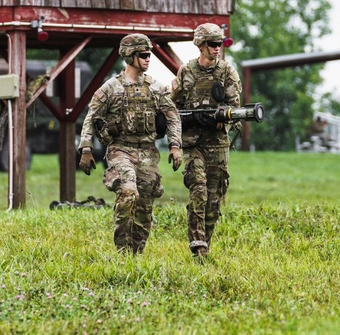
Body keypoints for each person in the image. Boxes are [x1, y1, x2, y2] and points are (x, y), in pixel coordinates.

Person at [79, 34, 182, 254]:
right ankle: (122, 251)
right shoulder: (110, 88)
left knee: (145, 205)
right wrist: (86, 149)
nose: (148, 59)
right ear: (130, 56)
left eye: (149, 55)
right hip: (120, 150)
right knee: (128, 193)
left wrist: (175, 146)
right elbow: (91, 116)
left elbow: (173, 116)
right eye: (143, 55)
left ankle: (136, 255)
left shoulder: (156, 88)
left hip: (148, 151)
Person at [170, 23, 241, 259]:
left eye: (219, 43)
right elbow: (174, 108)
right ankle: (197, 241)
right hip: (193, 143)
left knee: (214, 199)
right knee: (198, 189)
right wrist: (181, 134)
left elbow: (235, 108)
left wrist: (220, 120)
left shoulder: (227, 72)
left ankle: (204, 247)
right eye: (212, 44)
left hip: (217, 143)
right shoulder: (186, 71)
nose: (217, 48)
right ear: (200, 45)